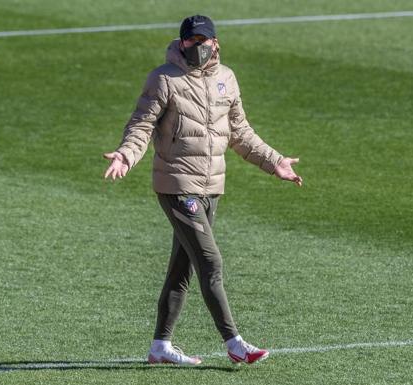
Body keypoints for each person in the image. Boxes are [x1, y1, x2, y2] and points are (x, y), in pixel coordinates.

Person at [104, 15, 302, 366]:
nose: (197, 47)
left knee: (183, 268)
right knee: (210, 261)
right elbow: (141, 123)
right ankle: (235, 342)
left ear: (215, 43)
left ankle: (160, 347)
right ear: (181, 44)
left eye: (202, 41)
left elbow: (240, 132)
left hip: (212, 186)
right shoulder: (164, 79)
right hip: (177, 184)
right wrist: (126, 154)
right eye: (190, 41)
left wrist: (274, 162)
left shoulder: (227, 79)